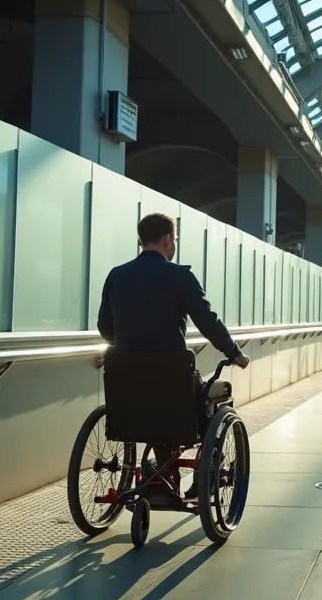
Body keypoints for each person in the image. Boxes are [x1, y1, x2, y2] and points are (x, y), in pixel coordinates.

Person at [96, 212, 249, 500]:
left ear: (140, 241)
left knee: (151, 401)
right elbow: (208, 322)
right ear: (168, 239)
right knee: (216, 395)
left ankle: (161, 469)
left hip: (127, 393)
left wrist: (132, 345)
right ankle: (207, 470)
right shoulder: (180, 276)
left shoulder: (116, 276)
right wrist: (235, 353)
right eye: (174, 240)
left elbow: (106, 329)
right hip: (172, 388)